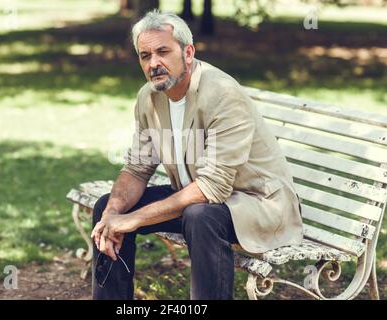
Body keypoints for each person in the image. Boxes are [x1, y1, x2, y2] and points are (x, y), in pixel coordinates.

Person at [90, 10, 303, 300]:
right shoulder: (148, 97)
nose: (154, 63)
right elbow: (137, 169)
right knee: (108, 205)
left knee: (201, 215)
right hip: (199, 199)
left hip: (257, 204)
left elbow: (213, 187)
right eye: (145, 55)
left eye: (163, 51)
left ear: (188, 52)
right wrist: (114, 214)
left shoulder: (222, 94)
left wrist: (135, 219)